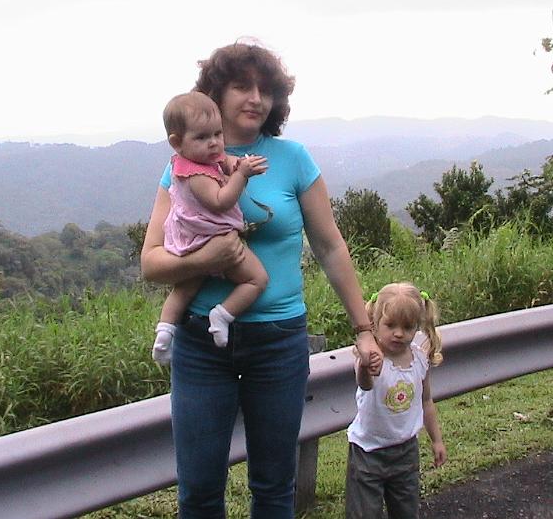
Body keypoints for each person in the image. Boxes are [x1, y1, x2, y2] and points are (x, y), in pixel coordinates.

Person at [140, 40, 382, 519]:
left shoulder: (292, 158)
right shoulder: (184, 168)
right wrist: (205, 258)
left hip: (278, 342)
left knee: (274, 488)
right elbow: (151, 264)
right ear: (216, 93)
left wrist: (363, 328)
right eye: (241, 86)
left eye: (265, 89)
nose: (256, 98)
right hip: (199, 344)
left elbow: (331, 247)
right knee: (199, 490)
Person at [151, 91, 269, 365]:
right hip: (211, 238)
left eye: (218, 133)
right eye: (203, 137)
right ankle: (223, 315)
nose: (215, 143)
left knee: (184, 289)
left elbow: (224, 161)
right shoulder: (197, 175)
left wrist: (236, 164)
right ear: (177, 142)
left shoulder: (192, 162)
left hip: (191, 240)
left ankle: (165, 332)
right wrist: (241, 175)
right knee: (256, 280)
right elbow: (221, 201)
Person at [345, 282, 447, 519]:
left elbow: (426, 401)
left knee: (406, 512)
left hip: (405, 451)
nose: (399, 333)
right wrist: (365, 365)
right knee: (363, 513)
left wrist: (437, 440)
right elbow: (365, 384)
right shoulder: (374, 360)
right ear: (375, 323)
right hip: (368, 452)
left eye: (408, 327)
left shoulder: (420, 359)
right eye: (390, 325)